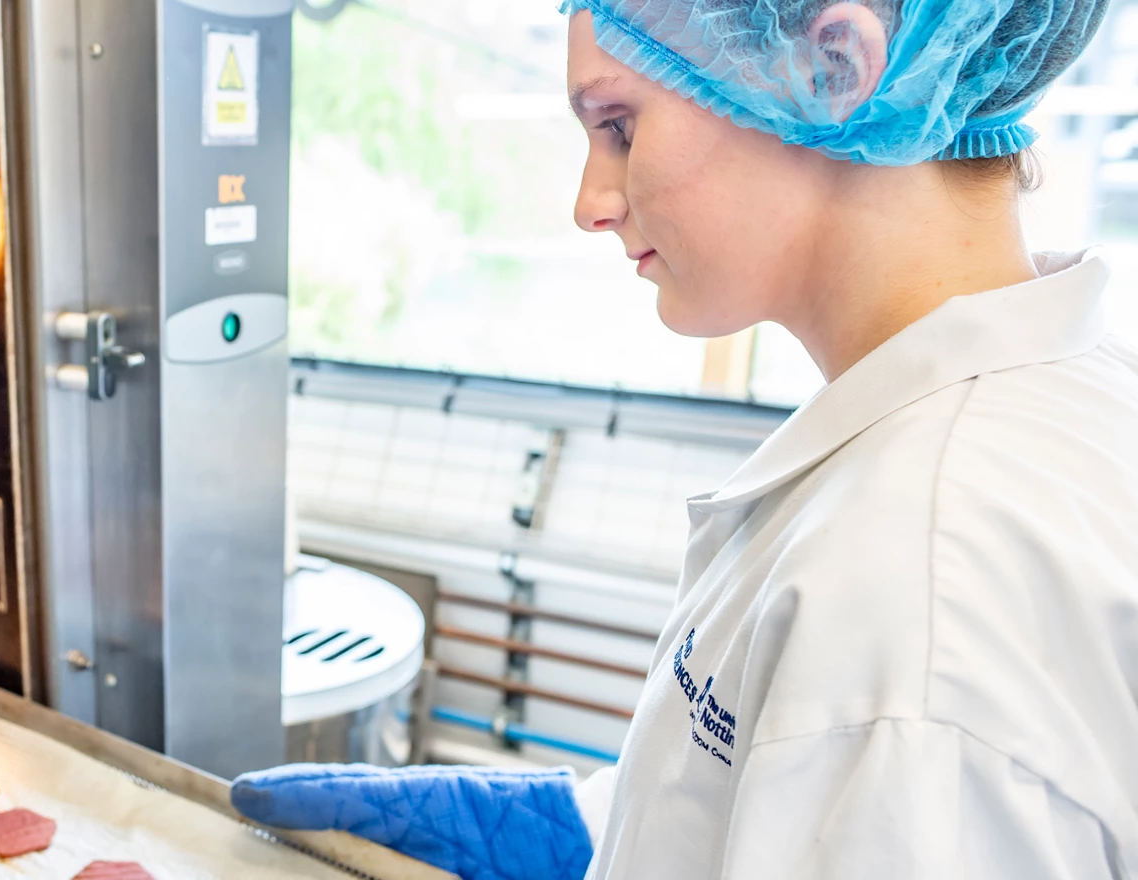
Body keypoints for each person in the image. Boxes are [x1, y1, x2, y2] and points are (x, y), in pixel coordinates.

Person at [233, 0, 1138, 877]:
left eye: (619, 126)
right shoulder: (1032, 400)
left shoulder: (926, 600)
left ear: (834, 68)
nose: (590, 202)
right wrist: (598, 829)